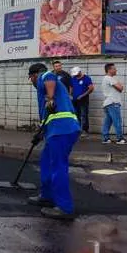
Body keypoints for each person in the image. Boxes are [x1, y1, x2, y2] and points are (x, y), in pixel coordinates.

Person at [27, 63, 80, 220]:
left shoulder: (45, 77)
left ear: (34, 75)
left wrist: (50, 98)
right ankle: (47, 196)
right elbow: (48, 117)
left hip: (62, 130)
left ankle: (64, 208)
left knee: (57, 167)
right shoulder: (44, 92)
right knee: (46, 163)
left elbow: (49, 76)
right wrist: (40, 134)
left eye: (30, 78)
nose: (31, 82)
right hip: (55, 131)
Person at [102, 63, 127, 145]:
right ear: (109, 70)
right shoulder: (110, 78)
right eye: (114, 68)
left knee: (108, 121)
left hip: (108, 103)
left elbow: (119, 87)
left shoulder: (106, 78)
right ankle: (119, 139)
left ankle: (106, 138)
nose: (116, 70)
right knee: (117, 121)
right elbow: (120, 88)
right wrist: (119, 84)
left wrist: (118, 84)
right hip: (113, 103)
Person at [70, 67, 94, 137]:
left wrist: (82, 95)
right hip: (75, 100)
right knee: (76, 115)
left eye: (76, 73)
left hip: (83, 100)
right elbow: (71, 87)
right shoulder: (73, 78)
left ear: (80, 72)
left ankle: (85, 130)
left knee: (84, 115)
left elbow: (91, 88)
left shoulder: (86, 78)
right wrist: (70, 94)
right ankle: (77, 130)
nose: (75, 75)